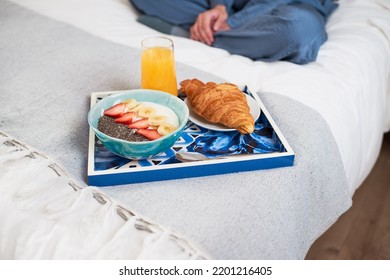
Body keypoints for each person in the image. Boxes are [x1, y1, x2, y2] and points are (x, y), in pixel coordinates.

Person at [130, 0, 338, 64]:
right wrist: (219, 7)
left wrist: (232, 21)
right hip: (234, 6)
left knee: (296, 31)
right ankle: (211, 28)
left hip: (293, 7)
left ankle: (199, 34)